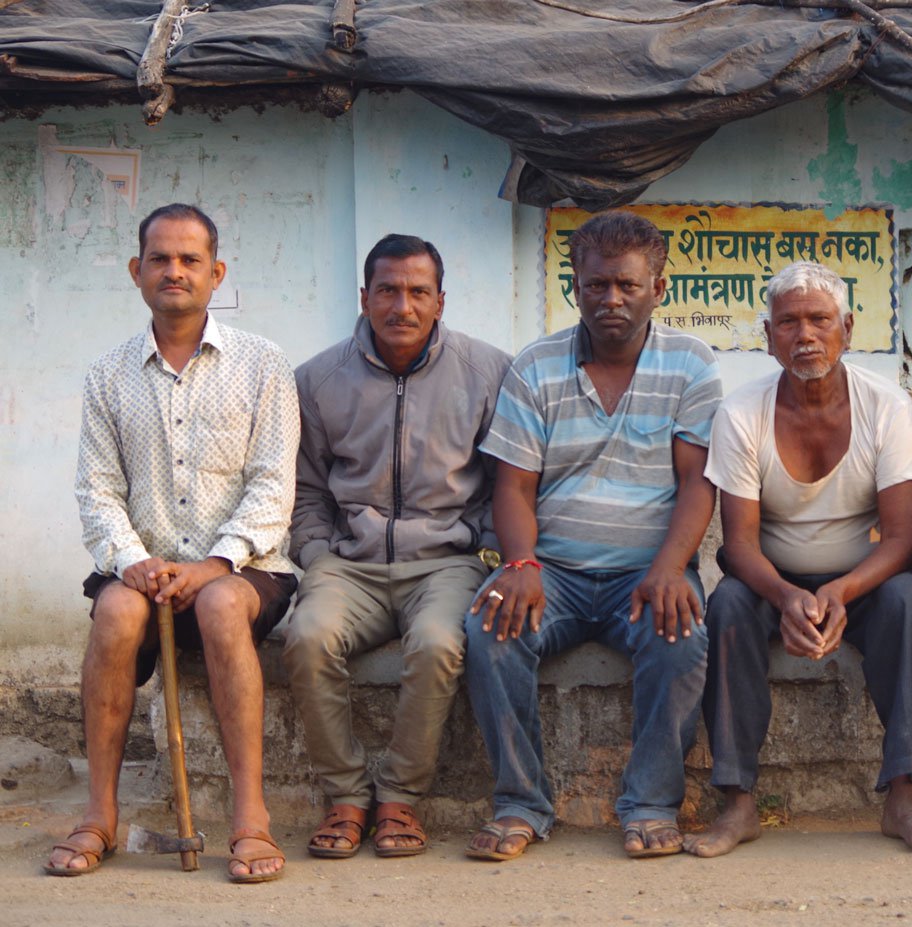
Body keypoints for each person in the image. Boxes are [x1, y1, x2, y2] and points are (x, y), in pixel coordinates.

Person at [48, 204, 299, 883]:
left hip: (243, 565)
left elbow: (274, 483)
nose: (175, 271)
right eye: (160, 258)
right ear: (137, 272)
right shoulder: (107, 374)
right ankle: (99, 813)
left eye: (190, 260)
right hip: (144, 569)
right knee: (115, 612)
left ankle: (251, 819)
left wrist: (214, 563)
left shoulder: (264, 363)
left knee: (219, 606)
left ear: (216, 273)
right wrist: (137, 563)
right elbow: (97, 489)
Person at [464, 210, 722, 860]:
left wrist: (670, 567)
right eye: (597, 284)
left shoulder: (691, 365)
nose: (611, 299)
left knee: (683, 638)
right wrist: (520, 560)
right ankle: (520, 802)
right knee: (489, 628)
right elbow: (513, 485)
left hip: (648, 572)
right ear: (573, 284)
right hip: (554, 573)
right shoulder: (536, 367)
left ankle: (651, 802)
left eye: (628, 286)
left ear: (658, 289)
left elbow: (698, 483)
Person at [685, 261, 912, 858]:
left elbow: (898, 542)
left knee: (911, 603)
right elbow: (738, 545)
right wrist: (786, 596)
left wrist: (840, 592)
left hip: (862, 579)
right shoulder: (741, 413)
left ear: (847, 327)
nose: (805, 335)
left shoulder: (886, 407)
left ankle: (903, 795)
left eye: (819, 320)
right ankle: (737, 801)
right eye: (788, 323)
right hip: (769, 583)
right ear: (768, 337)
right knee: (727, 604)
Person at [282, 234, 512, 859]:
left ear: (441, 301)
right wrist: (317, 553)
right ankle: (347, 797)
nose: (401, 307)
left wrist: (487, 556)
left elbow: (506, 484)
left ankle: (400, 800)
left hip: (447, 562)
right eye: (387, 290)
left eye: (417, 292)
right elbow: (304, 486)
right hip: (349, 566)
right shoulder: (318, 378)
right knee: (306, 638)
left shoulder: (489, 371)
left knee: (439, 644)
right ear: (364, 296)